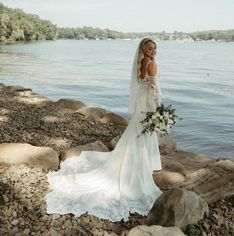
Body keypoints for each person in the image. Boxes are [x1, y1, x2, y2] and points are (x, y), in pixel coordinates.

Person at [45, 38, 162, 222]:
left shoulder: (142, 62)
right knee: (141, 136)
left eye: (154, 48)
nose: (153, 50)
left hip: (141, 104)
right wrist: (158, 108)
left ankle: (138, 164)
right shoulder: (151, 64)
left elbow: (144, 85)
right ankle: (139, 168)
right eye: (150, 47)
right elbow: (155, 89)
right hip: (147, 105)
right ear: (143, 49)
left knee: (136, 135)